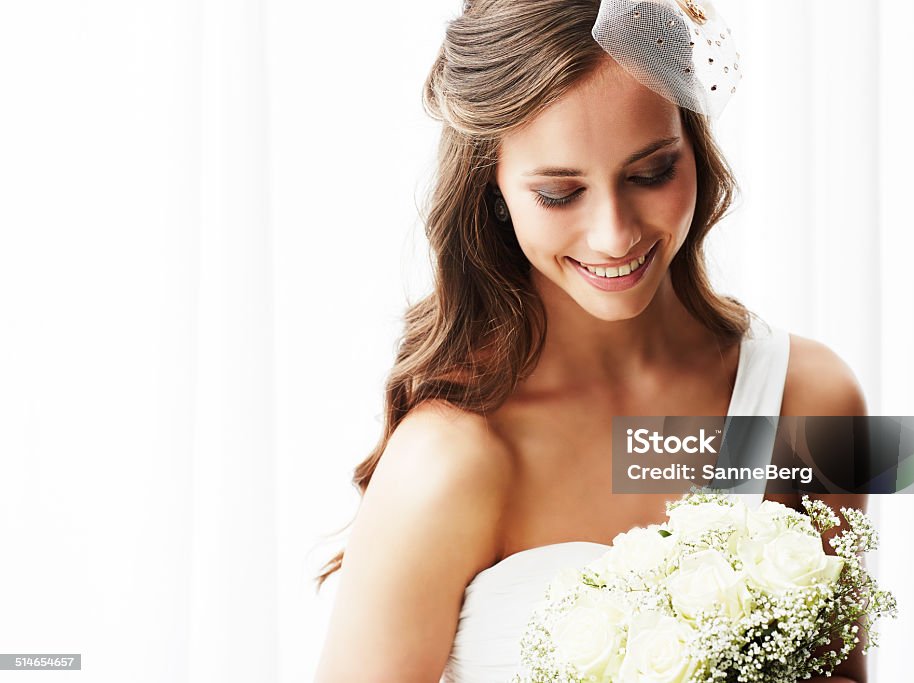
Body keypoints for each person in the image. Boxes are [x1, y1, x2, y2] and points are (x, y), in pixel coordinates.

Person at [313, 1, 868, 681]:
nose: (614, 235)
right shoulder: (451, 458)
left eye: (651, 172)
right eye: (557, 193)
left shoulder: (809, 399)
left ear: (695, 145)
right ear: (492, 182)